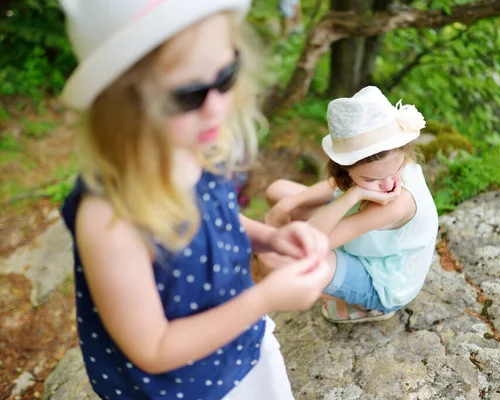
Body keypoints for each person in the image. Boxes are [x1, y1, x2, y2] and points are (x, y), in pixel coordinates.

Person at [58, 1, 331, 399]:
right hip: (179, 389)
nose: (216, 107)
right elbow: (153, 348)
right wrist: (265, 298)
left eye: (226, 76)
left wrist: (269, 239)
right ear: (120, 107)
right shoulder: (109, 219)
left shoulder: (193, 145)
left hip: (241, 349)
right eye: (186, 95)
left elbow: (214, 222)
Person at [262, 86, 439, 324]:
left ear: (403, 152)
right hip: (366, 243)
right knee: (279, 192)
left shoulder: (396, 201)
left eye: (395, 170)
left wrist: (354, 195)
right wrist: (288, 204)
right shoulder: (383, 164)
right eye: (371, 179)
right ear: (346, 168)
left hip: (381, 280)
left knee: (292, 256)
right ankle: (340, 267)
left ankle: (368, 305)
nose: (387, 185)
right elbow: (332, 185)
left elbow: (311, 242)